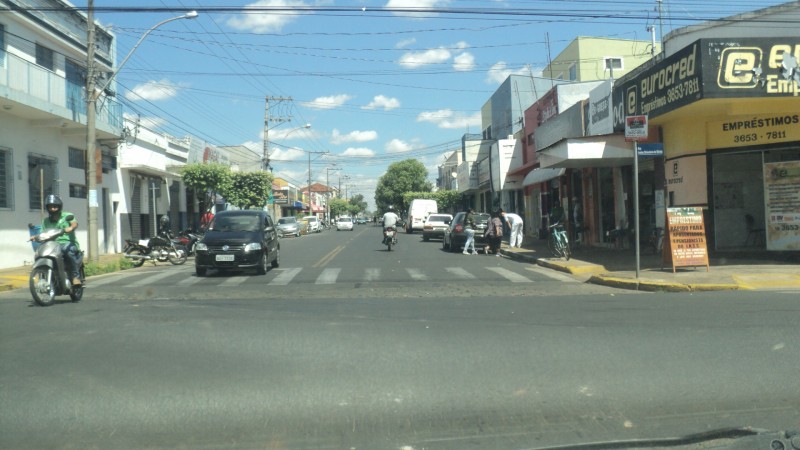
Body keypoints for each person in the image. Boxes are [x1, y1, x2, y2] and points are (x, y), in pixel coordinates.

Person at [33, 195, 82, 286]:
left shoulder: (67, 216)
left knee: (67, 252)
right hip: (52, 244)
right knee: (40, 253)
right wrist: (35, 236)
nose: (53, 209)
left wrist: (71, 227)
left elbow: (74, 223)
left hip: (68, 243)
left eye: (55, 206)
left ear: (59, 207)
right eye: (50, 207)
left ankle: (75, 277)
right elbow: (42, 232)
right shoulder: (45, 221)